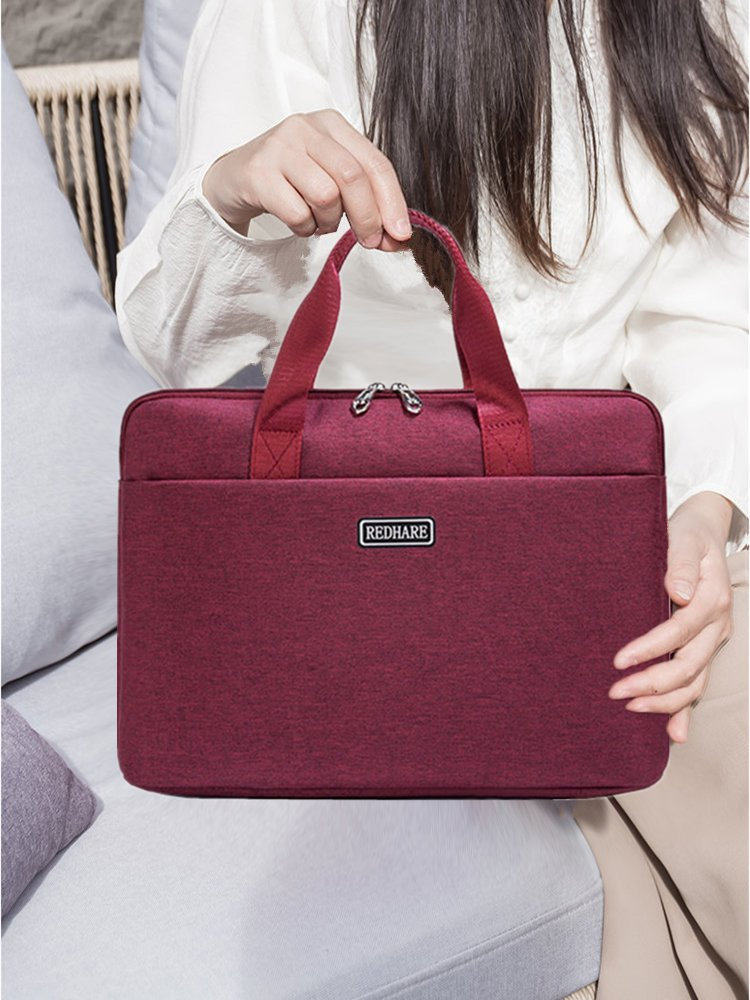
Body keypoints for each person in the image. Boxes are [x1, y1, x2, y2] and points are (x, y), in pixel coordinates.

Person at [115, 2, 748, 996]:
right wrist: (233, 191)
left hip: (627, 543)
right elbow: (174, 341)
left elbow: (712, 314)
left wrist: (702, 512)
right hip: (362, 579)